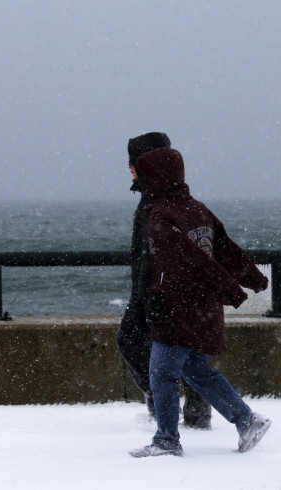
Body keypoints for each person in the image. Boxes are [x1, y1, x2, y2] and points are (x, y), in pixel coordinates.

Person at [127, 136, 271, 457]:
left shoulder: (162, 214)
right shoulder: (197, 208)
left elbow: (187, 258)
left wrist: (233, 290)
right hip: (203, 309)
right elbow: (225, 248)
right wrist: (253, 278)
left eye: (143, 175)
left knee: (161, 375)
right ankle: (248, 421)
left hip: (177, 310)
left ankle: (166, 441)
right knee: (197, 372)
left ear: (156, 178)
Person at [116, 132, 213, 429]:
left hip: (161, 292)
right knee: (188, 353)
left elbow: (149, 256)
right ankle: (196, 411)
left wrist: (144, 298)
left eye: (132, 163)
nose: (128, 169)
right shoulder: (175, 197)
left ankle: (164, 405)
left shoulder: (154, 203)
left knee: (134, 339)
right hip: (185, 290)